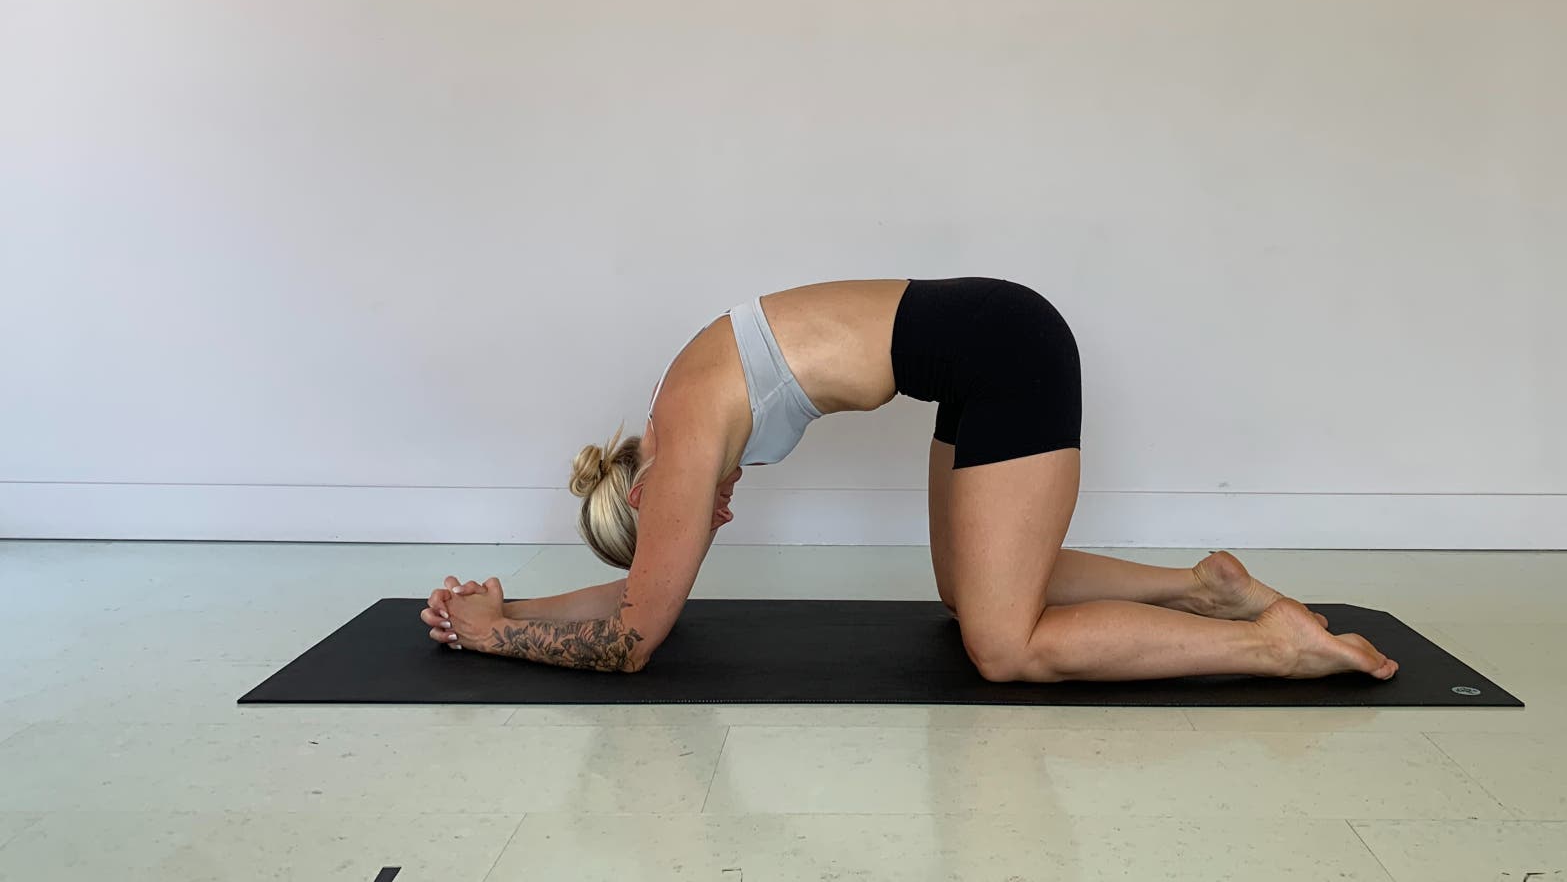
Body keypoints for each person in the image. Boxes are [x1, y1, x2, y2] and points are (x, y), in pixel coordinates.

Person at [419, 278, 1397, 682]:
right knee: (966, 590)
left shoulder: (680, 448)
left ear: (645, 497)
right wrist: (509, 601)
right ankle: (1201, 587)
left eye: (687, 521)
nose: (712, 520)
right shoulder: (682, 408)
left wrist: (494, 634)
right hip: (985, 341)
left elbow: (634, 633)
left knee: (1003, 648)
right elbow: (643, 590)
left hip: (1005, 353)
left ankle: (1270, 644)